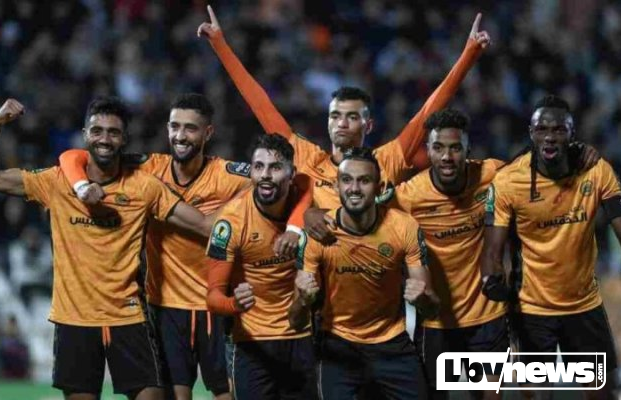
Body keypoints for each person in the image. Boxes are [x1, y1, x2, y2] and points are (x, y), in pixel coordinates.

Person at [56, 93, 306, 400]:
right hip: (164, 308)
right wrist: (82, 186)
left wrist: (294, 226)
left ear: (208, 133)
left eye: (190, 128)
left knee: (227, 394)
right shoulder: (149, 169)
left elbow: (300, 182)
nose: (180, 135)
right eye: (175, 126)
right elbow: (76, 156)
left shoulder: (228, 175)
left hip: (215, 304)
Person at [0, 97, 221, 400]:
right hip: (74, 319)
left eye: (113, 132)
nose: (104, 139)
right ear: (85, 135)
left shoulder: (144, 187)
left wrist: (256, 203)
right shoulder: (56, 181)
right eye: (97, 131)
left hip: (128, 318)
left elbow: (205, 225)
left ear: (124, 138)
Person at [197, 6, 490, 230]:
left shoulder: (386, 161)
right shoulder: (308, 159)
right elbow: (261, 106)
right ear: (327, 121)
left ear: (368, 125)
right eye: (335, 115)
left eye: (351, 117)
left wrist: (469, 54)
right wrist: (220, 45)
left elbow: (429, 111)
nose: (342, 123)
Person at [379, 107, 600, 400]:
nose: (447, 156)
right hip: (437, 323)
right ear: (428, 151)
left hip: (488, 319)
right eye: (439, 148)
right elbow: (367, 221)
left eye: (455, 147)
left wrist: (577, 151)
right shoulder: (408, 197)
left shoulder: (492, 175)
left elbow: (534, 163)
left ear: (468, 149)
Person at [482, 95, 620, 399]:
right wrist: (492, 278)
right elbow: (493, 249)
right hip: (531, 309)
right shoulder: (508, 181)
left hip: (584, 306)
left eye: (558, 129)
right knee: (537, 395)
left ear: (572, 133)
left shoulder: (597, 171)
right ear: (531, 133)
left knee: (603, 394)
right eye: (542, 129)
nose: (550, 136)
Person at [290, 147, 438, 399]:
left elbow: (433, 308)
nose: (354, 188)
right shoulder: (317, 235)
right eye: (347, 180)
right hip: (338, 347)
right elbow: (295, 322)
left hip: (392, 344)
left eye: (364, 180)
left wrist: (422, 298)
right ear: (336, 187)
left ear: (379, 189)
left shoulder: (403, 227)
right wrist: (303, 301)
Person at [205, 134, 315, 400]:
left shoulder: (309, 209)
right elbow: (213, 297)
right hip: (251, 343)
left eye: (275, 167)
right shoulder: (231, 222)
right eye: (258, 166)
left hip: (301, 336)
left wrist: (294, 228)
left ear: (291, 174)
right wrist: (234, 303)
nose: (265, 175)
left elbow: (311, 183)